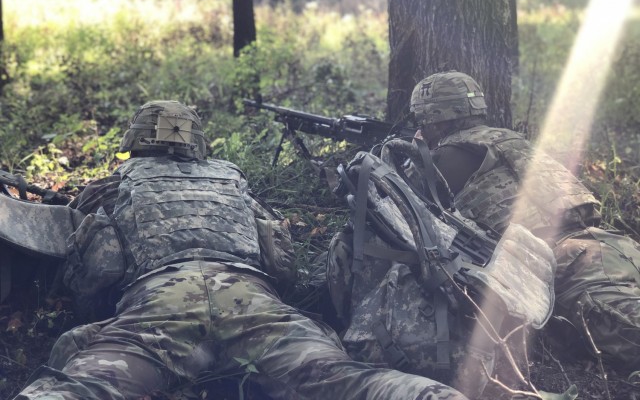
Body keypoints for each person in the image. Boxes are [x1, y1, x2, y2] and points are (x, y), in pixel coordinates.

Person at [15, 100, 468, 400]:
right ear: (197, 142)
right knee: (338, 378)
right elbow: (278, 260)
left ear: (135, 143)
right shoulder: (232, 179)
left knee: (87, 384)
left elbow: (98, 265)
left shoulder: (116, 185)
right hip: (251, 299)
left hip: (160, 302)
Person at [407, 71, 640, 370]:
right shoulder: (509, 140)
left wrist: (415, 154)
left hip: (570, 266)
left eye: (421, 122)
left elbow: (396, 197)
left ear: (432, 120)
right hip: (614, 245)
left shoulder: (447, 158)